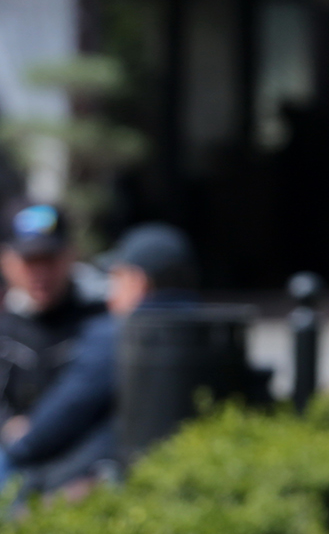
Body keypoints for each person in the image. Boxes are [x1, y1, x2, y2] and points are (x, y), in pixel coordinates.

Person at [0, 222, 201, 500]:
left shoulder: (116, 332)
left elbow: (67, 409)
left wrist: (20, 444)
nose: (110, 290)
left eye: (116, 278)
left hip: (88, 478)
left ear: (137, 281)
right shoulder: (209, 329)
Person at [0, 205, 106, 428]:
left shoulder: (99, 322)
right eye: (30, 261)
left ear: (71, 255)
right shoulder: (5, 330)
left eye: (49, 259)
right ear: (8, 263)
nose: (41, 274)